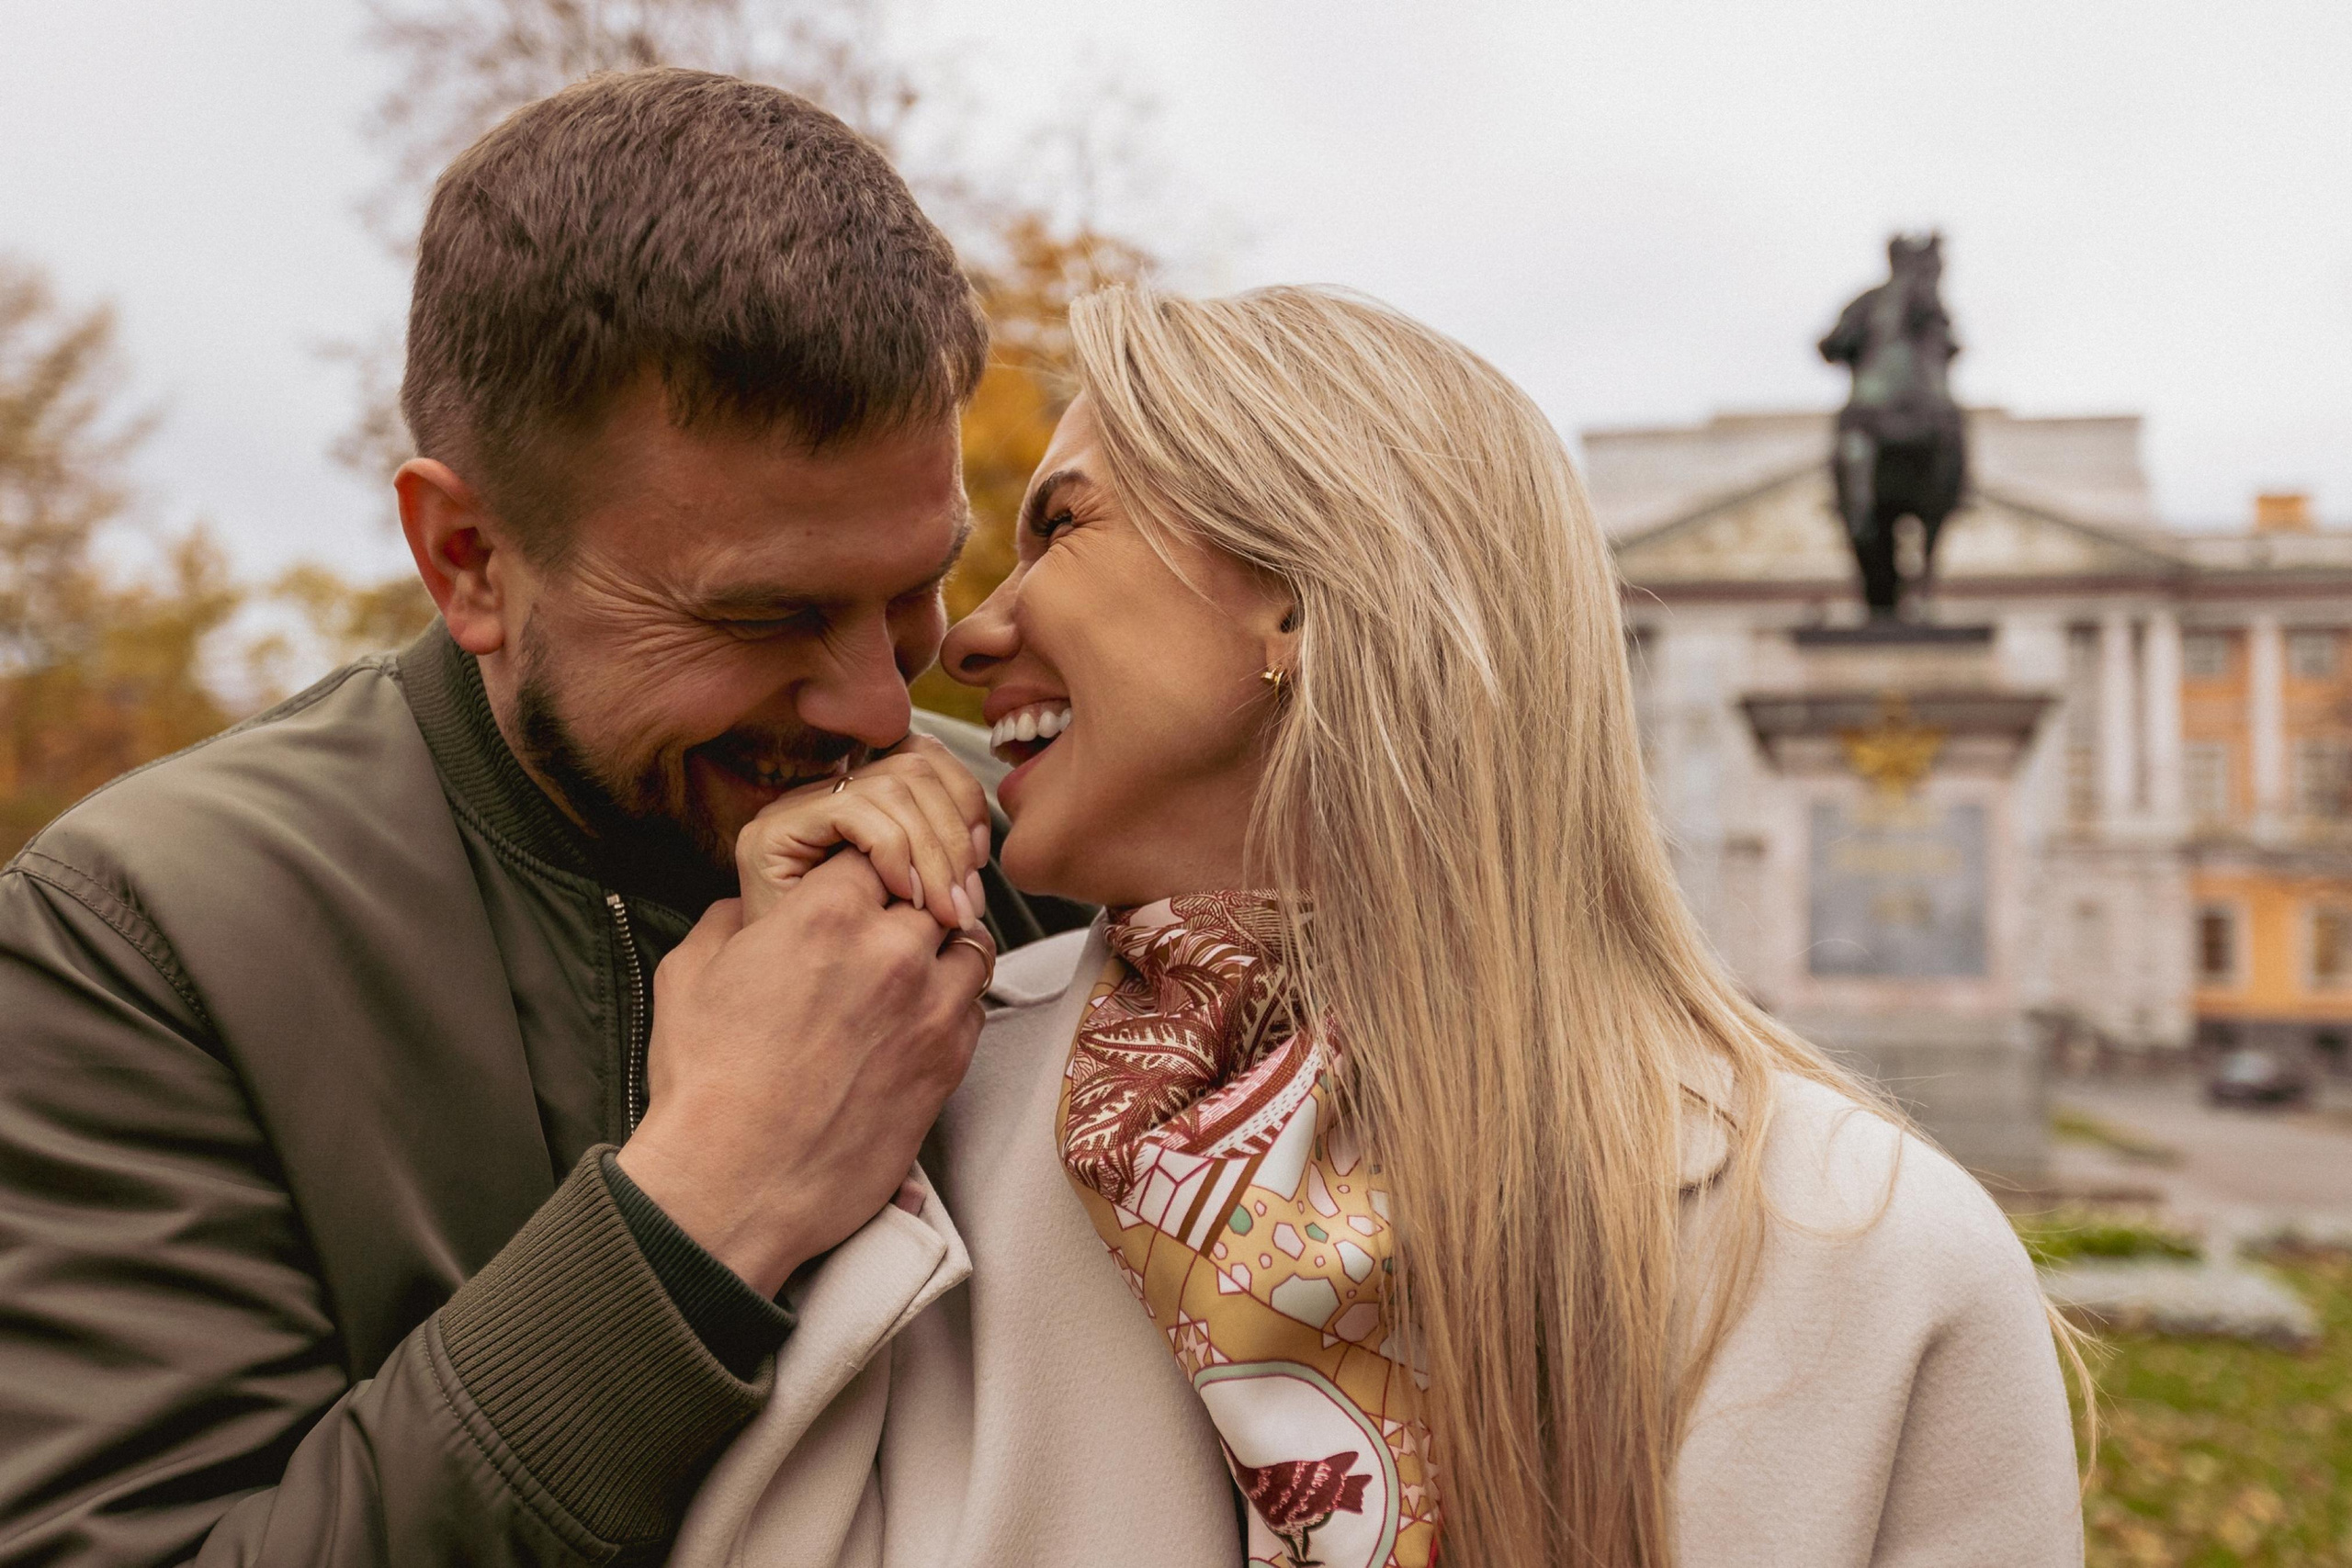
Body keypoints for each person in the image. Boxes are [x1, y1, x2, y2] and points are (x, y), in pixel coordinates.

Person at [680, 285, 2086, 1566]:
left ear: (1298, 593)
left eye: (1059, 524)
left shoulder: (1882, 1261)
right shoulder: (892, 1109)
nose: (966, 640)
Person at [0, 67, 1104, 1566]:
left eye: (915, 586)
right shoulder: (148, 939)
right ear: (467, 559)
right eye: (767, 614)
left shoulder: (1054, 854)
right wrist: (708, 1198)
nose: (872, 705)